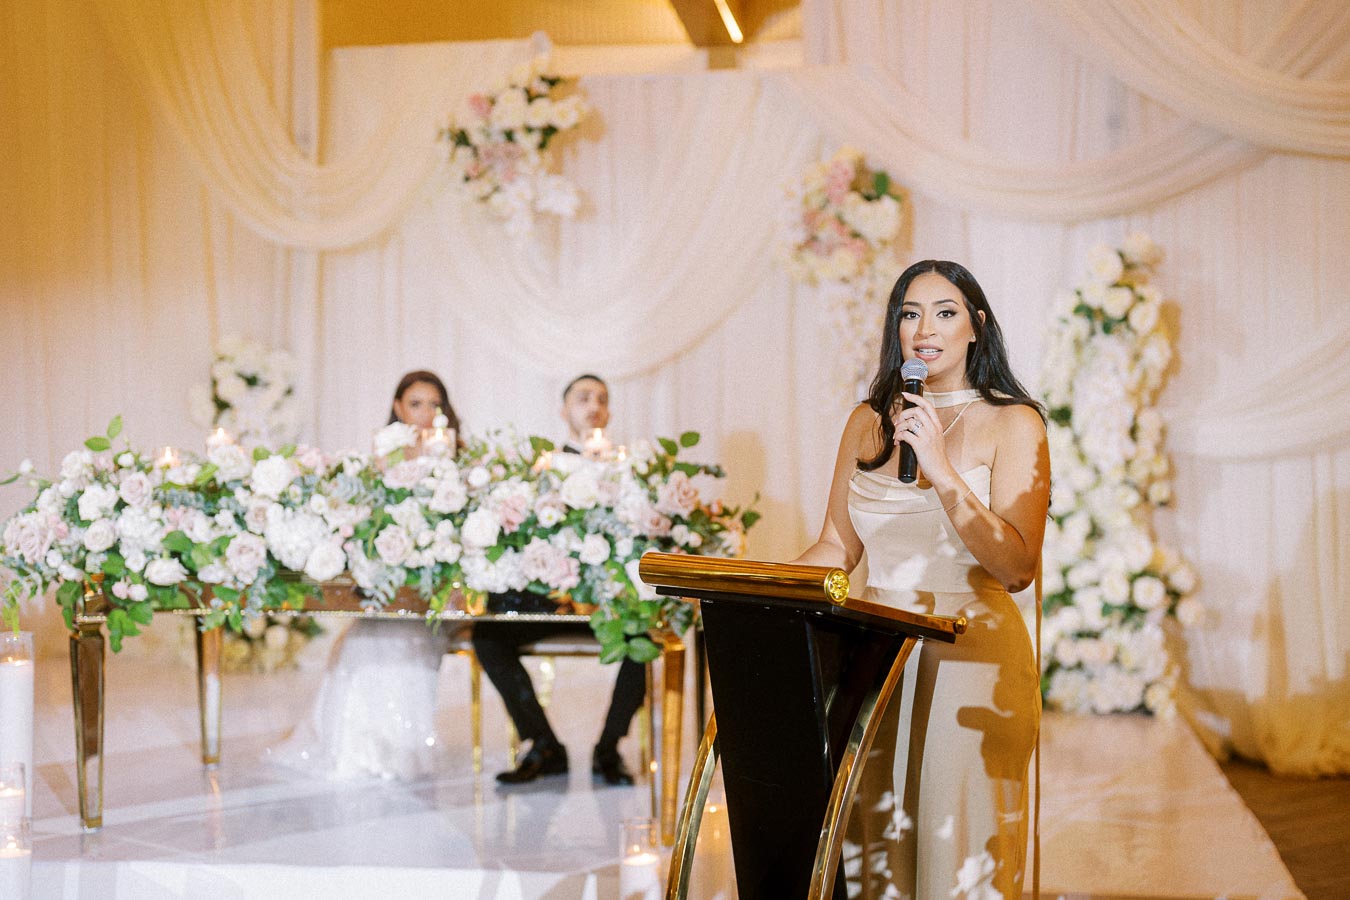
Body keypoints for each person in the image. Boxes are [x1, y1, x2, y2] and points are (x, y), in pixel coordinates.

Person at [792, 261, 1046, 898]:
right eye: (910, 312)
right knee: (878, 852)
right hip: (874, 666)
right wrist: (751, 584)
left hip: (971, 667)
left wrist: (941, 469)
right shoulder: (867, 421)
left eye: (944, 311)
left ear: (975, 328)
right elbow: (833, 547)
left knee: (956, 853)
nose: (924, 328)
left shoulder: (1014, 423)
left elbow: (1017, 568)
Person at [269, 371, 463, 780]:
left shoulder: (454, 461)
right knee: (364, 639)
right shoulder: (382, 457)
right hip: (389, 584)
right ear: (397, 408)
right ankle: (355, 748)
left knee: (402, 636)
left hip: (435, 592)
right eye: (416, 404)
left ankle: (403, 751)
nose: (426, 414)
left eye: (434, 405)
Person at [472, 374, 645, 786]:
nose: (593, 406)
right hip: (553, 602)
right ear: (563, 410)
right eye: (583, 398)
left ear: (610, 412)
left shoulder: (629, 472)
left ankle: (609, 747)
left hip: (608, 606)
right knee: (487, 637)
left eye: (601, 399)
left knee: (645, 637)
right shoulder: (542, 471)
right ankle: (544, 743)